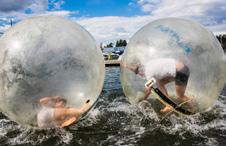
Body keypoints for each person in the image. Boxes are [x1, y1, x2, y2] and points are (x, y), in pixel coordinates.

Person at [121, 58, 191, 113]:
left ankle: (194, 109)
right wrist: (126, 66)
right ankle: (168, 104)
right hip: (181, 69)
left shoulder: (148, 73)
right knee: (160, 82)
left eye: (138, 73)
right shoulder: (148, 64)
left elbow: (147, 90)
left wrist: (141, 101)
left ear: (140, 70)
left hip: (181, 71)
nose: (140, 75)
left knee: (180, 96)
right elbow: (135, 69)